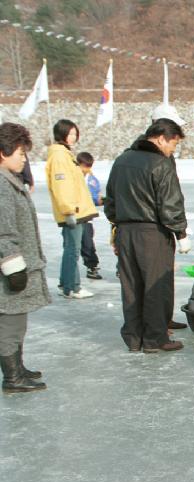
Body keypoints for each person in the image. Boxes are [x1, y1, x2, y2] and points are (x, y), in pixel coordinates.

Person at [104, 118, 190, 354]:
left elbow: (110, 201)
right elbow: (170, 205)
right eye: (173, 144)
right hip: (153, 233)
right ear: (162, 138)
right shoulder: (160, 164)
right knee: (156, 285)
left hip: (125, 231)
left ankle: (134, 337)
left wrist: (117, 227)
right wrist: (181, 232)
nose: (173, 150)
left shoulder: (121, 160)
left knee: (130, 286)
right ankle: (154, 338)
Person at [0, 122, 48, 393]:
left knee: (17, 321)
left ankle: (17, 367)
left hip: (17, 264)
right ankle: (12, 378)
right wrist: (14, 268)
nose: (24, 158)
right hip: (10, 268)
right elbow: (3, 231)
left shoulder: (9, 180)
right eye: (19, 152)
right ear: (2, 153)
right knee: (9, 323)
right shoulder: (1, 185)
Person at [46, 119, 98, 299]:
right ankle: (72, 287)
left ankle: (66, 283)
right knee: (72, 250)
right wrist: (68, 210)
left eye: (75, 134)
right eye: (70, 134)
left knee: (71, 248)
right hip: (73, 211)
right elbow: (62, 185)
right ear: (61, 134)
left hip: (77, 209)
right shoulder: (60, 156)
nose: (73, 137)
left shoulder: (66, 154)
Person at [76, 152, 103, 281]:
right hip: (75, 215)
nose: (86, 169)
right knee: (74, 244)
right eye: (84, 166)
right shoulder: (73, 178)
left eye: (88, 166)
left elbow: (96, 197)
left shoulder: (92, 180)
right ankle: (70, 272)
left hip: (87, 216)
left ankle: (92, 266)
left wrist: (100, 201)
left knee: (87, 242)